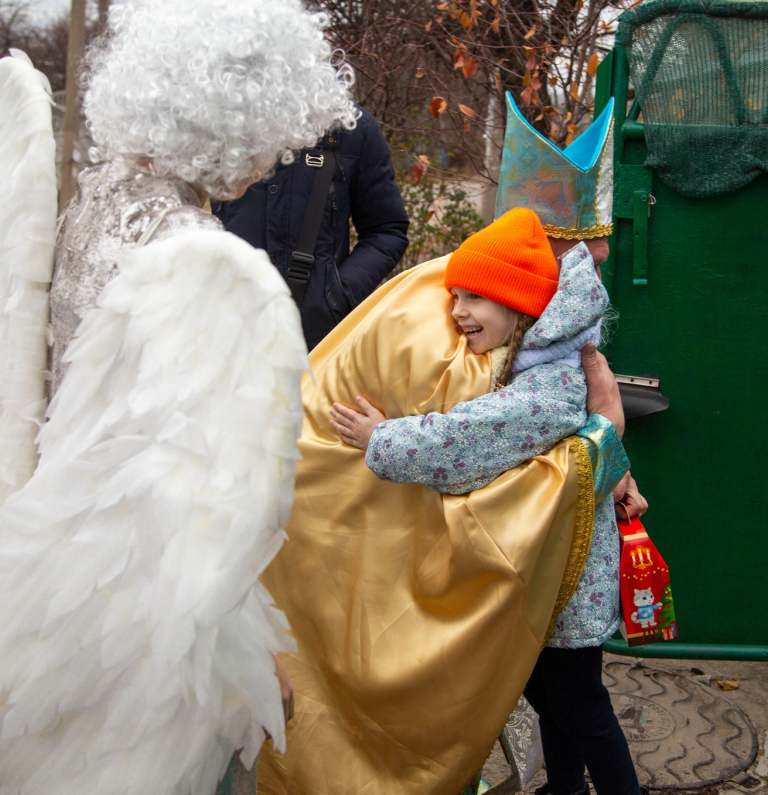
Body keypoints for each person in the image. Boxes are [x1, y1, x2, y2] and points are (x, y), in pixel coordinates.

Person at [0, 0, 356, 792]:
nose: (275, 160)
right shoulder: (193, 254)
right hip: (134, 616)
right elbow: (181, 501)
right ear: (222, 115)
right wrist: (247, 665)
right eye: (273, 135)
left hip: (52, 564)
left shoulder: (81, 214)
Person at [255, 202, 637, 792]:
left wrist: (380, 437)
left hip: (563, 588)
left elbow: (468, 441)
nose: (457, 312)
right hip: (556, 580)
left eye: (475, 299)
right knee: (558, 702)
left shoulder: (551, 385)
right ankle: (563, 789)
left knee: (578, 705)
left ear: (519, 304)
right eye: (455, 296)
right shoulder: (542, 362)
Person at [214, 106, 410, 348]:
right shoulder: (217, 118)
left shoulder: (351, 127)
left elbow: (387, 230)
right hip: (226, 331)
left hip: (316, 342)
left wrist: (335, 297)